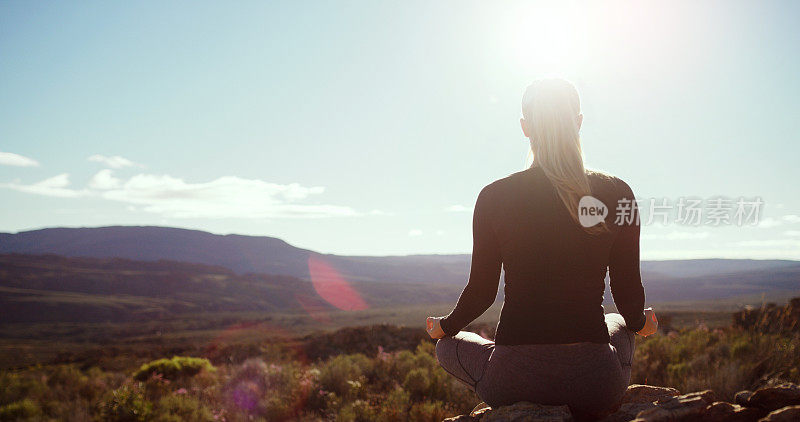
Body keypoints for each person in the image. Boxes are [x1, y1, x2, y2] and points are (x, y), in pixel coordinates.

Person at [425, 78, 658, 420]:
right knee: (620, 323)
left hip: (512, 382)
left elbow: (482, 292)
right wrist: (641, 321)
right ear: (578, 122)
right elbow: (626, 290)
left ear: (525, 127)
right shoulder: (616, 192)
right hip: (596, 384)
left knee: (448, 347)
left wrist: (445, 325)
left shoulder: (494, 196)